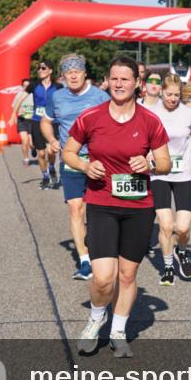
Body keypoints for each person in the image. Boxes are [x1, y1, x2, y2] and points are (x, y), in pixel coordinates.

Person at [67, 55, 170, 358]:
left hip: (138, 207)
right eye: (114, 78)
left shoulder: (150, 121)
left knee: (126, 275)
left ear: (137, 84)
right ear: (108, 81)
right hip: (101, 202)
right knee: (102, 277)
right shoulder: (91, 117)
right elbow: (69, 152)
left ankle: (118, 330)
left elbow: (165, 163)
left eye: (125, 79)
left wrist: (149, 162)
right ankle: (96, 318)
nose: (119, 84)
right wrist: (85, 166)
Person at [42, 54, 111, 281]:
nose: (72, 75)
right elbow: (45, 121)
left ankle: (98, 246)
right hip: (71, 160)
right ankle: (84, 261)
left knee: (96, 211)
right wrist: (52, 139)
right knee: (75, 208)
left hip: (98, 160)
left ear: (84, 73)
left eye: (77, 71)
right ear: (63, 76)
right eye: (68, 72)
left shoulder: (100, 96)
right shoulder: (57, 97)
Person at [143, 74, 191, 286]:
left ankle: (182, 250)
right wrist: (148, 155)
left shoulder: (189, 113)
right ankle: (168, 266)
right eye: (168, 94)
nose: (172, 99)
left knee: (183, 228)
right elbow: (144, 140)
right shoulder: (151, 113)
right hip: (159, 173)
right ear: (161, 91)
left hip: (184, 173)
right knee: (167, 226)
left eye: (176, 95)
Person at [31, 59, 60, 189]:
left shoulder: (58, 87)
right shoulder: (34, 85)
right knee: (41, 154)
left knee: (51, 151)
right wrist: (13, 113)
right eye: (39, 68)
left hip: (53, 122)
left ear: (50, 71)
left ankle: (52, 167)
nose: (40, 71)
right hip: (37, 121)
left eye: (43, 68)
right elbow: (20, 97)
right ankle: (45, 177)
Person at [8, 78, 35, 165]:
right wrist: (13, 116)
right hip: (22, 119)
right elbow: (14, 106)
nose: (26, 87)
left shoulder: (34, 95)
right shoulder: (19, 94)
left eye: (28, 86)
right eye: (24, 86)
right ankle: (26, 158)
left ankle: (33, 148)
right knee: (24, 140)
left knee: (31, 143)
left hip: (32, 121)